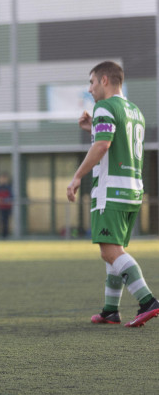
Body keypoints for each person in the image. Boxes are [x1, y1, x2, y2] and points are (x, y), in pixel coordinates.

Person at [67, 61, 159, 327]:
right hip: (133, 189)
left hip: (111, 190)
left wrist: (77, 176)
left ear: (105, 80)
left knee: (110, 251)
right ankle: (110, 311)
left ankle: (148, 301)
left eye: (92, 82)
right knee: (114, 250)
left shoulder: (105, 107)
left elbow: (103, 146)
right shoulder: (134, 110)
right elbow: (117, 140)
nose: (90, 88)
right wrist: (92, 128)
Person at [0, 172, 13, 238]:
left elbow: (11, 197)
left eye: (4, 178)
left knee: (6, 221)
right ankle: (1, 234)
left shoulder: (9, 187)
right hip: (0, 207)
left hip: (7, 207)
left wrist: (5, 200)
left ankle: (5, 235)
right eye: (1, 178)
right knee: (0, 221)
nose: (2, 180)